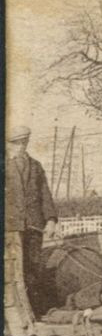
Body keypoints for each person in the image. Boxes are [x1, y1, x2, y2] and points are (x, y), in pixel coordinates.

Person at [4, 126, 58, 324]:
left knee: (33, 269)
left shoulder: (35, 166)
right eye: (16, 143)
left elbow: (45, 195)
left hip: (34, 227)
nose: (20, 147)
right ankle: (15, 317)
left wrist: (51, 220)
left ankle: (35, 314)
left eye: (24, 142)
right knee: (13, 272)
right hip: (10, 229)